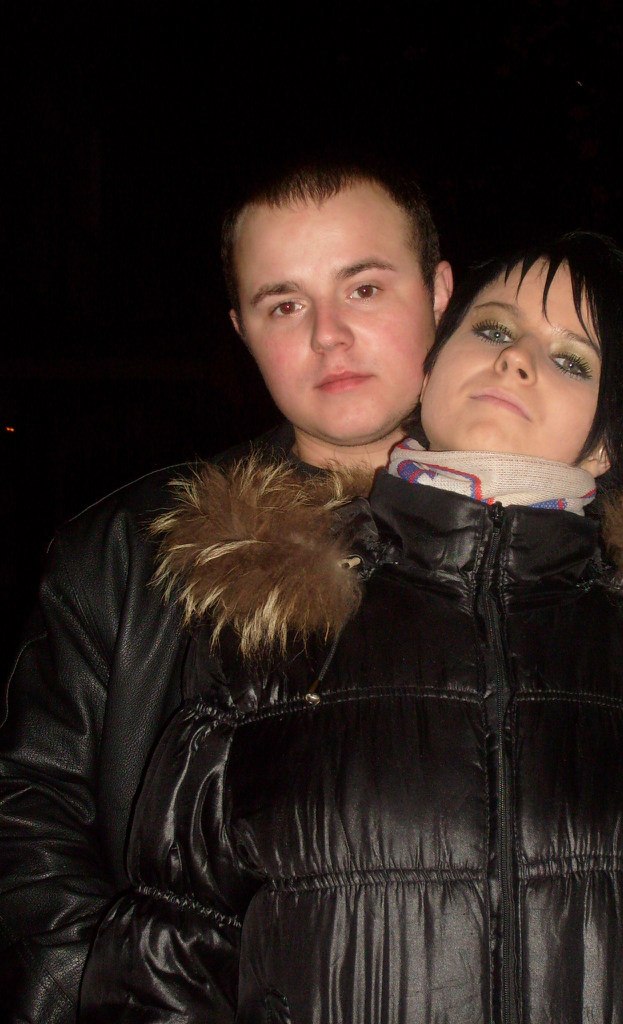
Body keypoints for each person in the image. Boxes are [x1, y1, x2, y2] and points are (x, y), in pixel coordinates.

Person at [77, 232, 623, 1022]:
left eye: (572, 360)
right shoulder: (276, 623)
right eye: (494, 328)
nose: (517, 360)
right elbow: (168, 955)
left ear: (608, 445)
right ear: (430, 368)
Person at [0, 160, 452, 1023]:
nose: (328, 336)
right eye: (284, 305)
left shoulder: (558, 550)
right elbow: (29, 815)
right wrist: (105, 1000)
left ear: (438, 292)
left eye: (363, 288)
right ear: (242, 329)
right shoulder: (128, 553)